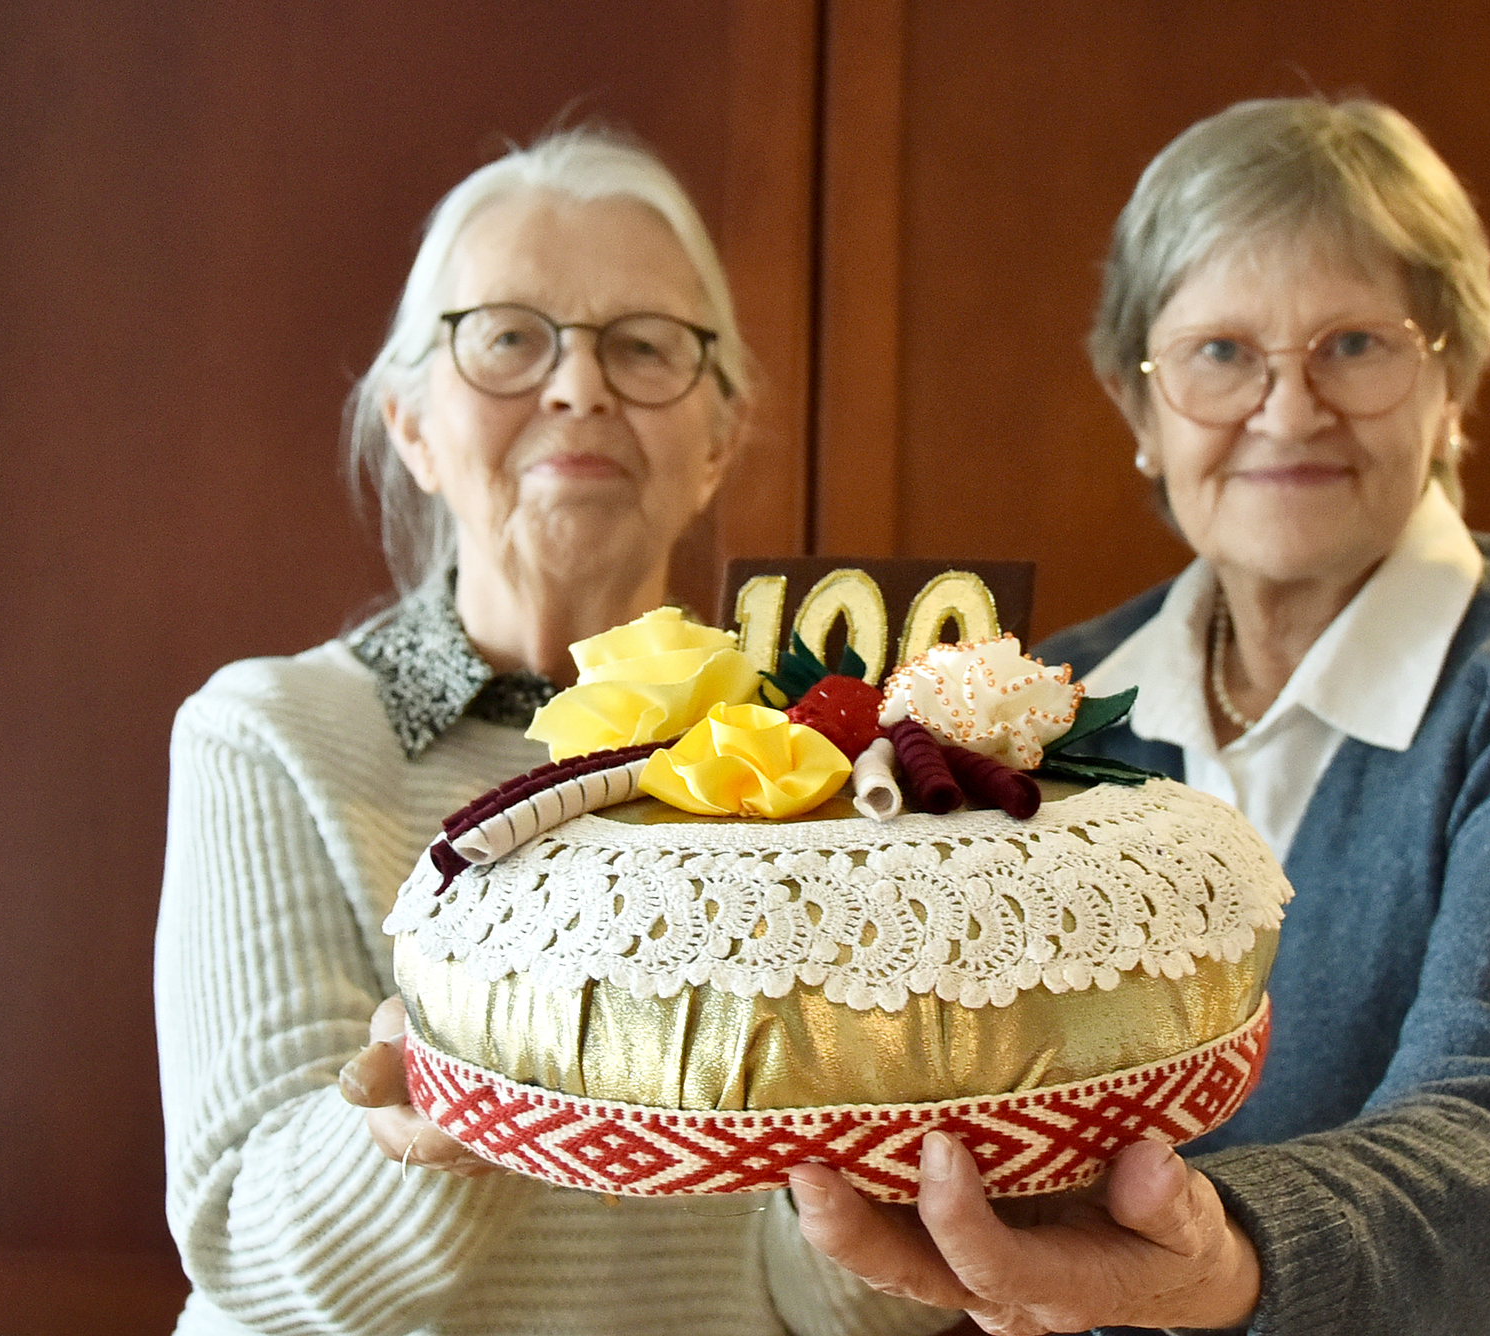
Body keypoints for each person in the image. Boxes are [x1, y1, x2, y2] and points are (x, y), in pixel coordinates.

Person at [786, 97, 1490, 1335]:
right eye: (1222, 354)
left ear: (1450, 378)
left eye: (1353, 345)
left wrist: (1211, 1258)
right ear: (1142, 410)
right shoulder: (1051, 709)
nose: (1286, 412)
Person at [155, 129, 958, 1336]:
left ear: (716, 444)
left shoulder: (806, 770)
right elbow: (252, 1255)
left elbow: (814, 1301)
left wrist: (931, 1127)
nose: (578, 387)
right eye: (509, 338)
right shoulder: (267, 733)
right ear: (413, 425)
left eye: (642, 347)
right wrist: (461, 1096)